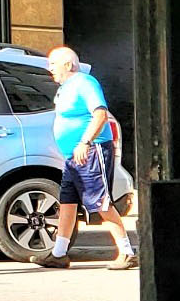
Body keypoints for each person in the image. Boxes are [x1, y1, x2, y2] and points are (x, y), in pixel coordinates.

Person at [32, 46, 136, 270]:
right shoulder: (66, 88)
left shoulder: (85, 83)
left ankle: (127, 252)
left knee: (99, 201)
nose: (49, 69)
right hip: (74, 157)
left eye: (53, 64)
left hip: (91, 151)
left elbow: (100, 113)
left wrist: (85, 142)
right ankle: (59, 254)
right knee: (67, 201)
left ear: (68, 65)